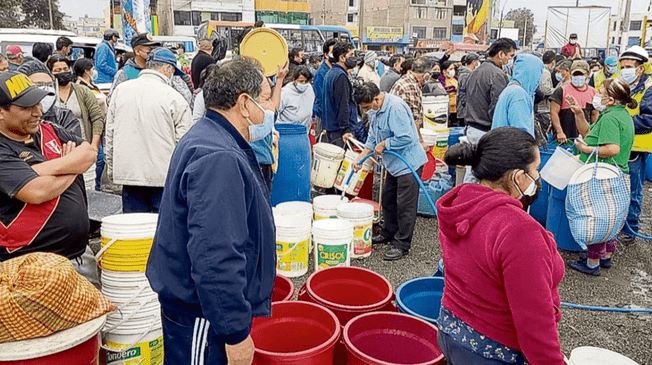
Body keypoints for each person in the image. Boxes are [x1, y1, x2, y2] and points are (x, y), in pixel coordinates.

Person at [146, 59, 276, 365]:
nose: (270, 108)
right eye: (266, 98)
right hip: (203, 315)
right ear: (245, 103)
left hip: (199, 309)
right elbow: (215, 255)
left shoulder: (208, 135)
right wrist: (235, 333)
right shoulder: (218, 157)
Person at [437, 127, 565, 365]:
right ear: (516, 176)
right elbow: (534, 324)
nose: (538, 178)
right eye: (535, 170)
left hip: (451, 331)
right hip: (493, 351)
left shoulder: (461, 204)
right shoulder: (520, 231)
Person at [0, 71, 99, 286]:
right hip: (30, 268)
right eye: (27, 107)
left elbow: (89, 153)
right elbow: (37, 192)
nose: (38, 112)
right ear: (1, 112)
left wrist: (42, 169)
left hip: (80, 256)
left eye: (38, 103)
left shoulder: (49, 129)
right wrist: (73, 166)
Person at [106, 48, 192, 213]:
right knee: (161, 229)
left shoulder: (120, 91)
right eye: (172, 71)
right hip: (163, 177)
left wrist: (113, 168)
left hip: (129, 175)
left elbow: (110, 133)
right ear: (167, 69)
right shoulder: (174, 97)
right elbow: (183, 143)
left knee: (135, 230)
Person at [564, 78, 636, 275]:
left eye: (600, 93)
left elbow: (612, 148)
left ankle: (592, 263)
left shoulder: (610, 118)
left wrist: (585, 148)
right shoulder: (620, 115)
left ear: (611, 100)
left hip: (602, 175)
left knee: (597, 218)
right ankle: (605, 257)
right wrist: (579, 113)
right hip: (617, 175)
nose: (596, 96)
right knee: (611, 217)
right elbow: (588, 132)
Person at [352, 82, 427, 260]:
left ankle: (402, 244)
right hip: (393, 165)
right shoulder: (375, 111)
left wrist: (386, 144)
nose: (365, 111)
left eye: (367, 107)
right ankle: (389, 232)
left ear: (377, 99)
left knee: (405, 205)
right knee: (388, 199)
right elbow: (372, 139)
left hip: (409, 164)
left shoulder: (395, 108)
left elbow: (407, 137)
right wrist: (359, 159)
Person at [617, 46, 652, 245]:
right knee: (618, 187)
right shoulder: (623, 83)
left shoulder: (649, 89)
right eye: (623, 66)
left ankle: (630, 230)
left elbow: (648, 121)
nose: (624, 70)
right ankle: (618, 224)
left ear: (640, 69)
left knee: (633, 190)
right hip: (619, 144)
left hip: (636, 148)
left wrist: (621, 126)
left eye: (629, 67)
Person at [109, 33, 192, 104]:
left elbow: (185, 96)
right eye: (150, 50)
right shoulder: (125, 73)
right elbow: (111, 100)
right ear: (137, 51)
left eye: (154, 49)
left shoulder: (162, 69)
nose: (153, 52)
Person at [464, 38, 517, 144]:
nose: (510, 60)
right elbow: (498, 107)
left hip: (471, 129)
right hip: (486, 131)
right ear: (501, 54)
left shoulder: (475, 72)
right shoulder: (497, 74)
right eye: (510, 56)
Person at [46, 55, 104, 150]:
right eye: (58, 70)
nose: (62, 72)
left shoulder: (83, 91)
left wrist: (94, 145)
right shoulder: (48, 93)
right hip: (55, 149)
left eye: (65, 69)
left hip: (82, 147)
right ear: (51, 73)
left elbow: (97, 117)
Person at [18, 61, 82, 137]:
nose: (45, 89)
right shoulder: (14, 118)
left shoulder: (63, 117)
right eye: (39, 84)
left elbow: (72, 144)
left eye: (49, 84)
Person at [492, 53, 544, 137]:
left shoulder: (511, 89)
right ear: (532, 73)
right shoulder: (519, 95)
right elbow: (521, 134)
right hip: (511, 148)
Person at [550, 60, 598, 144]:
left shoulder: (593, 92)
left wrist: (593, 135)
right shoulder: (562, 90)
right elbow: (553, 112)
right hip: (564, 138)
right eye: (576, 74)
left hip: (583, 138)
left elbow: (594, 115)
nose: (578, 77)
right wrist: (559, 132)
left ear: (587, 74)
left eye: (581, 74)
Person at [390, 57, 433, 146]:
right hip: (403, 134)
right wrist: (421, 142)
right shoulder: (411, 87)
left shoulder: (406, 79)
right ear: (425, 75)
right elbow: (414, 120)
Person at [322, 41, 356, 147]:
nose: (354, 58)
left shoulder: (330, 73)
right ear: (342, 57)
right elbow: (343, 105)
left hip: (331, 128)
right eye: (351, 55)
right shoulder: (341, 77)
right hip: (339, 132)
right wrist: (346, 129)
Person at [278, 66, 315, 130]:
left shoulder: (309, 88)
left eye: (306, 81)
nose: (304, 84)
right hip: (288, 131)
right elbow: (276, 113)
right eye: (301, 81)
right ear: (294, 80)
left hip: (304, 130)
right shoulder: (285, 93)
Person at [313, 39, 337, 135]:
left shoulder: (336, 70)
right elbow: (321, 98)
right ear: (326, 55)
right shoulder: (321, 73)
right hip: (324, 118)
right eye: (333, 52)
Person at [456, 52, 479, 127]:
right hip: (464, 111)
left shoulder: (471, 74)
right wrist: (466, 105)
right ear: (473, 62)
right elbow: (463, 92)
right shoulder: (465, 75)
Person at [536, 51, 557, 134]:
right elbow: (545, 90)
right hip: (543, 108)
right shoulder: (546, 72)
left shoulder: (540, 69)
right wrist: (558, 89)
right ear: (553, 62)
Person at [438, 61, 459, 127]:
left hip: (457, 108)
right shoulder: (441, 79)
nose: (452, 71)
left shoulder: (455, 78)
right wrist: (453, 87)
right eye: (450, 69)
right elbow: (444, 89)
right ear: (444, 71)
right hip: (447, 109)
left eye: (453, 69)